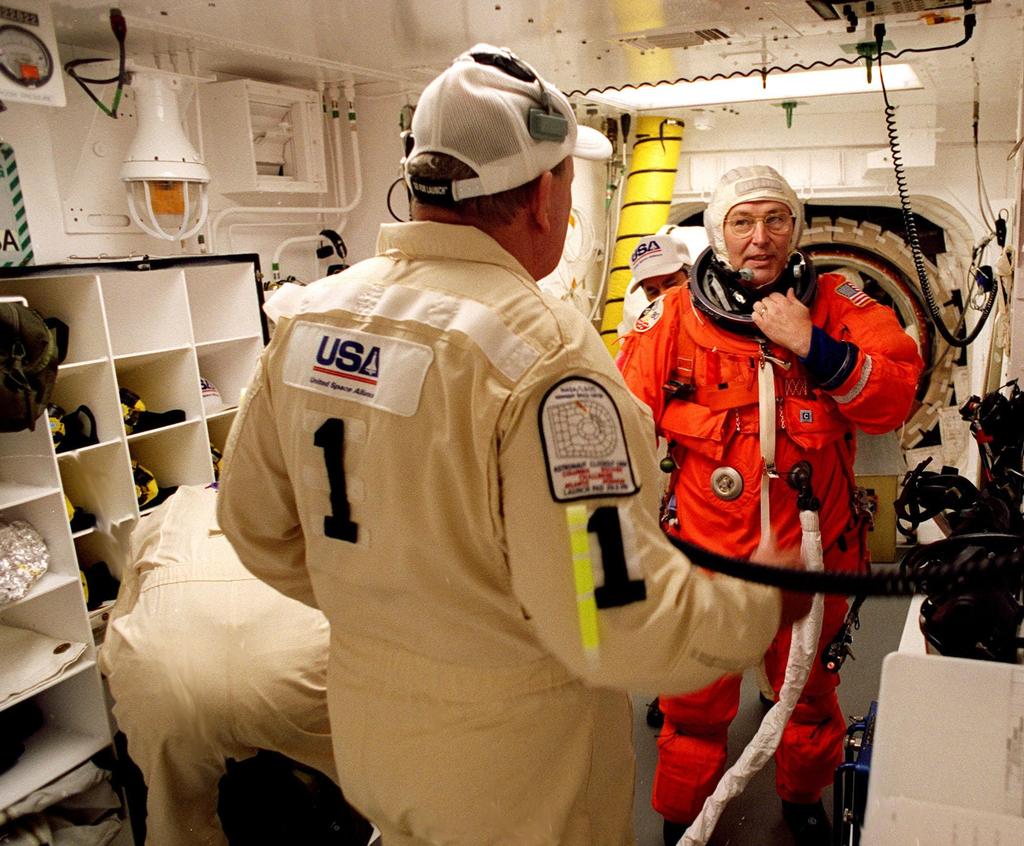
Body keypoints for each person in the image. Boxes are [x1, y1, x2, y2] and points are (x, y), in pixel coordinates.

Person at [216, 45, 809, 846]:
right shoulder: (548, 360)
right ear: (541, 194)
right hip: (519, 784)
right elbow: (614, 623)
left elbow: (255, 526)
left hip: (372, 745)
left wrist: (393, 608)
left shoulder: (311, 319)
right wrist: (761, 603)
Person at [617, 164, 924, 845]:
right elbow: (624, 427)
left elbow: (894, 391)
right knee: (692, 703)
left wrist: (812, 345)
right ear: (719, 237)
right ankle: (680, 815)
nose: (762, 238)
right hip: (708, 559)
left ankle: (802, 796)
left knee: (811, 695)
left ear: (796, 229)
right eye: (743, 222)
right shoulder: (673, 322)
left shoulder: (841, 306)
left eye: (776, 219)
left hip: (815, 558)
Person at [99, 485, 340, 846]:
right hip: (294, 666)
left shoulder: (166, 511)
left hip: (166, 678)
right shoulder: (318, 501)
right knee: (378, 783)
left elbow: (115, 637)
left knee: (176, 817)